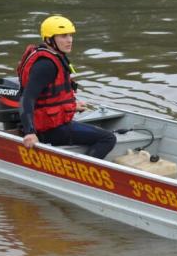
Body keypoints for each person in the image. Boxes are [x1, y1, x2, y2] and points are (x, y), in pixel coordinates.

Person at [18, 15, 116, 159]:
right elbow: (26, 98)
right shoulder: (46, 65)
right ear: (49, 39)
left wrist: (72, 106)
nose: (69, 40)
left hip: (52, 124)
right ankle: (84, 170)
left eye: (70, 35)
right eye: (63, 36)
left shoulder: (55, 56)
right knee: (108, 138)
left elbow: (49, 97)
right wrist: (30, 132)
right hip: (48, 130)